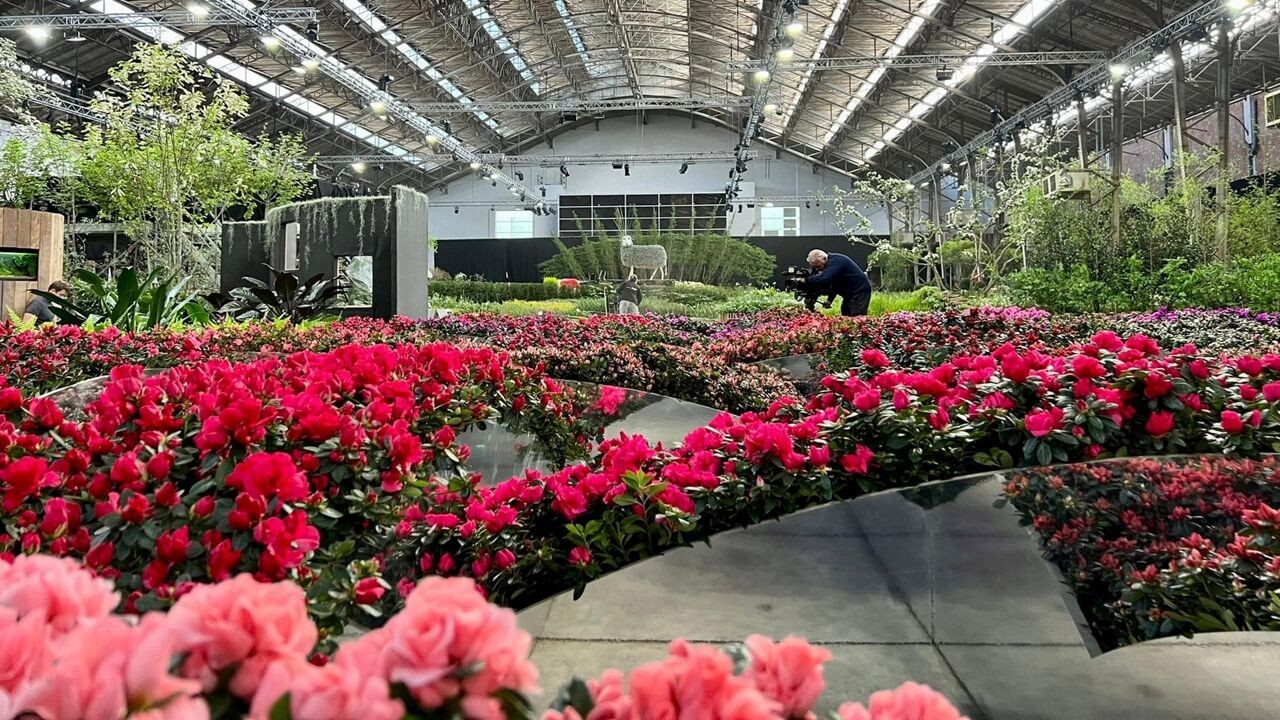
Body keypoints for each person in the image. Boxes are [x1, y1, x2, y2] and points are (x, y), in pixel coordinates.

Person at [801, 249, 872, 317]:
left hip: (859, 291)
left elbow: (824, 278)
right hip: (850, 293)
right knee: (846, 312)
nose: (817, 269)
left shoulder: (836, 261)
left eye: (818, 266)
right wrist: (829, 300)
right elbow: (835, 284)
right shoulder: (831, 264)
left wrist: (806, 280)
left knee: (856, 316)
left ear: (823, 258)